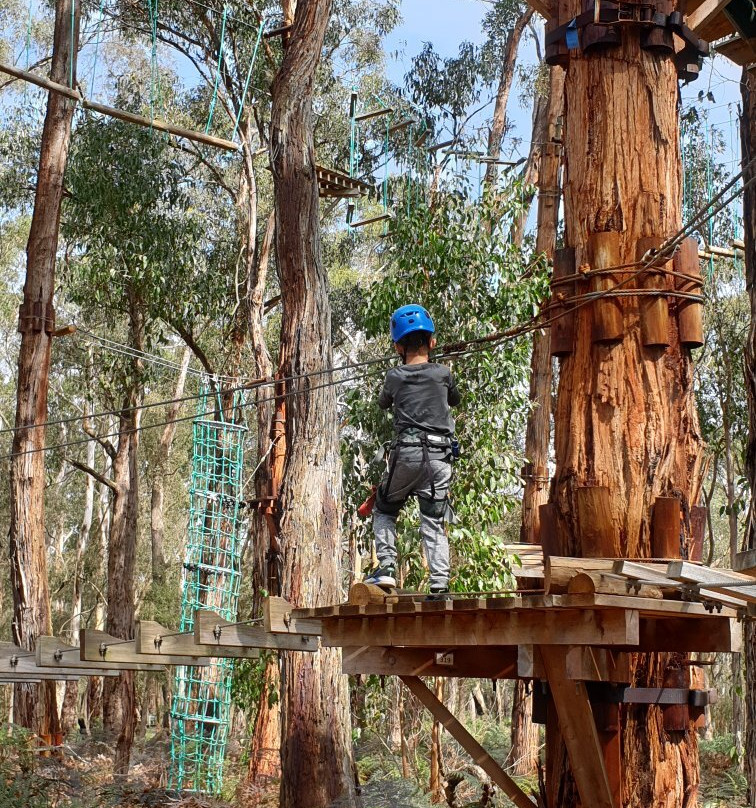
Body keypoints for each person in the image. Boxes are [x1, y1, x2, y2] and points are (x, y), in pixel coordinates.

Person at [364, 304, 460, 597]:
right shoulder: (444, 373)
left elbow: (383, 403)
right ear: (432, 342)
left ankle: (388, 566)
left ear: (397, 346)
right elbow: (454, 400)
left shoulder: (394, 376)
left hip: (407, 454)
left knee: (384, 508)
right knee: (433, 518)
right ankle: (440, 584)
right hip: (440, 459)